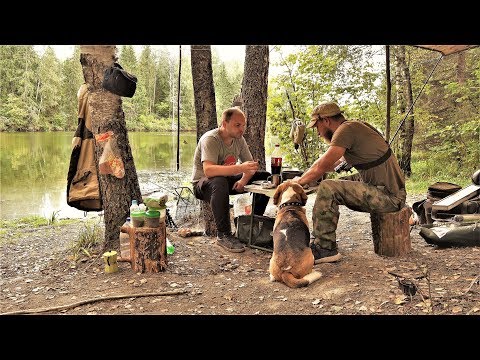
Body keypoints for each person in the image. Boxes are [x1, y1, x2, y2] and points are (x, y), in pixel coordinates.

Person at [292, 101, 406, 264]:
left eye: (317, 127)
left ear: (326, 121)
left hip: (388, 198)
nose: (318, 133)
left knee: (328, 188)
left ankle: (325, 248)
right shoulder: (355, 127)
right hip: (385, 189)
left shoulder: (345, 131)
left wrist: (297, 183)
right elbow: (332, 164)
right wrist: (308, 177)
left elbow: (322, 166)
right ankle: (324, 242)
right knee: (331, 183)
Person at [192, 107, 270, 253]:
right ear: (224, 123)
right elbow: (209, 171)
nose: (242, 129)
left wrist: (243, 181)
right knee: (219, 181)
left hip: (226, 180)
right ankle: (224, 235)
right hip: (203, 184)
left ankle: (252, 225)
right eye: (237, 125)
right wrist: (240, 169)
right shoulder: (211, 139)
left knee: (265, 176)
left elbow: (250, 166)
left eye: (243, 125)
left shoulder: (239, 140)